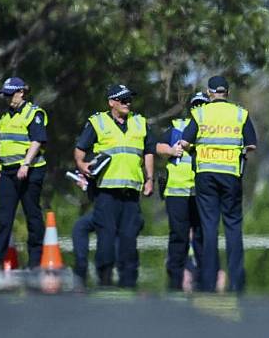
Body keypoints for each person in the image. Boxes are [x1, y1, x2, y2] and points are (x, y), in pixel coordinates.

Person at [74, 83, 155, 287]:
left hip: (131, 192)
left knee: (129, 238)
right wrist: (82, 165)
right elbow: (80, 150)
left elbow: (148, 152)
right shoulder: (98, 122)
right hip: (106, 192)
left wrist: (150, 179)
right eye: (123, 99)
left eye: (129, 99)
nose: (128, 103)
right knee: (106, 238)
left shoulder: (140, 122)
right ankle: (105, 277)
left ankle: (129, 280)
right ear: (111, 102)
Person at [180, 76, 257, 292]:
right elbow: (251, 145)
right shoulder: (240, 113)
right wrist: (238, 153)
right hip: (231, 175)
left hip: (205, 175)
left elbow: (185, 142)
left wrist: (196, 150)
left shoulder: (200, 113)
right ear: (227, 92)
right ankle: (236, 281)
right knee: (233, 227)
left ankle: (208, 280)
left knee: (209, 227)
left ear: (209, 92)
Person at [0, 77, 47, 271]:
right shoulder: (5, 117)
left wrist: (26, 164)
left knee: (33, 215)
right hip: (8, 172)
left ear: (21, 93)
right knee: (4, 217)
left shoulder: (34, 114)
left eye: (10, 95)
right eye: (5, 95)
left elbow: (37, 141)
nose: (8, 99)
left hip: (30, 171)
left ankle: (35, 260)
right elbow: (2, 144)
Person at [156, 92, 207, 291]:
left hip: (201, 192)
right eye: (196, 105)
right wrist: (171, 151)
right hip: (177, 192)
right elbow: (158, 146)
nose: (199, 108)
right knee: (179, 237)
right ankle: (174, 280)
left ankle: (205, 278)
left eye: (202, 104)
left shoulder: (211, 128)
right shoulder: (178, 127)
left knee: (202, 236)